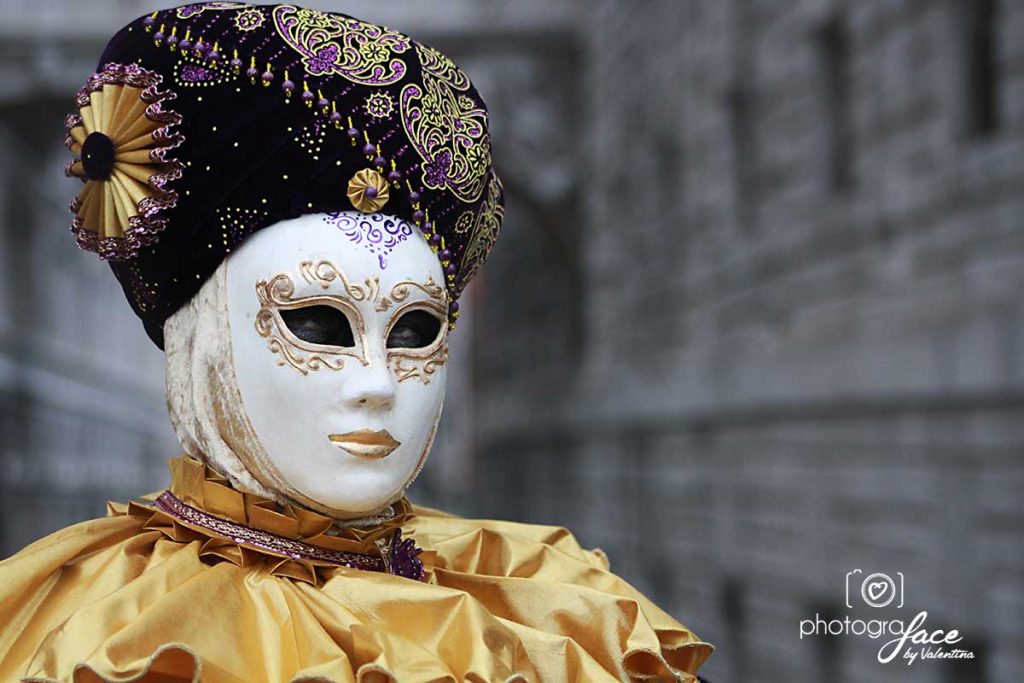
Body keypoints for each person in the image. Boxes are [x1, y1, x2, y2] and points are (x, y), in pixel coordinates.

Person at [0, 4, 714, 681]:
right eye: (316, 323)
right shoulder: (89, 637)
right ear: (205, 339)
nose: (378, 382)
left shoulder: (545, 605)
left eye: (415, 329)